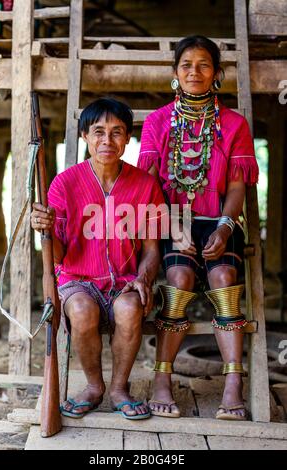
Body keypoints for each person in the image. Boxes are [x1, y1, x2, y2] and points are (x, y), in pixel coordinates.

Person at [138, 35, 259, 420]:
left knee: (224, 278)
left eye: (204, 64)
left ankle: (233, 383)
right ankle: (162, 380)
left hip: (218, 220)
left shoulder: (234, 124)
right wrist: (173, 225)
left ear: (217, 73)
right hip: (173, 221)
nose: (195, 71)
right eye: (186, 64)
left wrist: (224, 228)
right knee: (178, 280)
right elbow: (148, 183)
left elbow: (237, 184)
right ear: (175, 74)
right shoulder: (158, 122)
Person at [31, 98, 167, 420]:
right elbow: (59, 256)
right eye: (98, 132)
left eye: (117, 132)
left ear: (127, 139)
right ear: (84, 137)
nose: (107, 140)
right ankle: (94, 386)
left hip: (124, 281)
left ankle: (120, 388)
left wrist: (143, 279)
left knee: (131, 307)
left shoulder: (146, 185)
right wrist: (46, 232)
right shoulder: (64, 184)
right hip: (79, 280)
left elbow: (151, 249)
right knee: (80, 311)